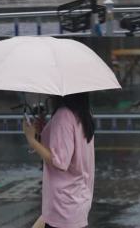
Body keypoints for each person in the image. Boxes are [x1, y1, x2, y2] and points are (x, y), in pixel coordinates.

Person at [23, 93, 95, 228]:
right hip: (77, 200)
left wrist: (32, 140)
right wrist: (45, 130)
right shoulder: (84, 114)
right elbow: (66, 149)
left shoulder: (64, 116)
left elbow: (60, 161)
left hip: (63, 205)